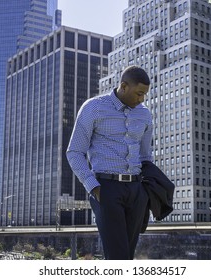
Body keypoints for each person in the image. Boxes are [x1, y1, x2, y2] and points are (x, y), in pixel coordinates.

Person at [66, 65, 153, 259]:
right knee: (117, 256)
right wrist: (94, 188)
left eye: (144, 94)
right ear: (123, 86)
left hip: (137, 191)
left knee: (127, 256)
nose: (142, 99)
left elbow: (146, 156)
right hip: (106, 188)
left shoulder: (144, 114)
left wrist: (146, 191)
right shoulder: (93, 108)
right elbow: (74, 152)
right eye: (139, 94)